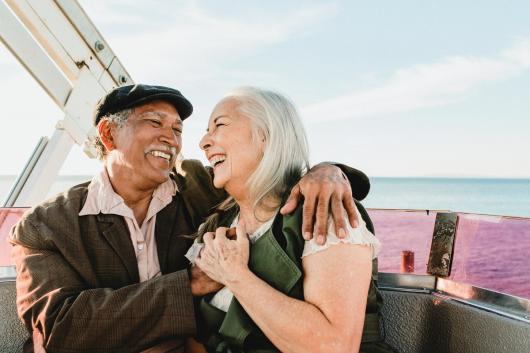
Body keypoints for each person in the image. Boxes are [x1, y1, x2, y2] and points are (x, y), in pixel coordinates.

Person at [10, 84, 372, 353]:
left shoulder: (198, 188)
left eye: (178, 130)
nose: (173, 139)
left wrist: (327, 171)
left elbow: (267, 180)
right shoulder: (44, 227)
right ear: (108, 134)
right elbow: (62, 329)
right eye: (155, 122)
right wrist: (191, 284)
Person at [186, 87, 396, 353]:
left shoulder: (322, 211)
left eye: (220, 125)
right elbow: (193, 336)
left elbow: (335, 347)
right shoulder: (215, 226)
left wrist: (234, 274)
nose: (204, 141)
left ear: (267, 136)